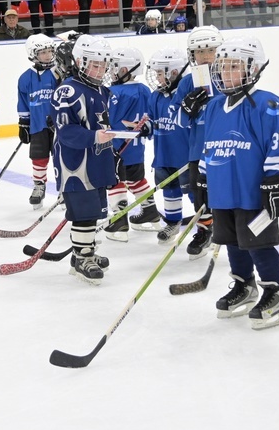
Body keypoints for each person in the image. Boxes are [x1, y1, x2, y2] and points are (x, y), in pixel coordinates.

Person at [200, 35, 279, 330]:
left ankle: (274, 293)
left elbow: (276, 145)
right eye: (223, 67)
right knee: (232, 241)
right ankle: (244, 286)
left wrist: (275, 181)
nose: (225, 74)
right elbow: (210, 145)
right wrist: (202, 180)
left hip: (253, 191)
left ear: (252, 69)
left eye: (233, 67)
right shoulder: (215, 106)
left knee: (258, 243)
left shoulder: (267, 104)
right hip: (223, 188)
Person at [52, 36, 119, 284]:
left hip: (97, 160)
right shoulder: (68, 90)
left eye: (104, 65)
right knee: (84, 213)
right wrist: (94, 136)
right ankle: (82, 257)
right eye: (95, 64)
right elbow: (66, 131)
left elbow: (104, 123)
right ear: (79, 61)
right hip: (76, 165)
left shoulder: (101, 89)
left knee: (93, 211)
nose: (100, 69)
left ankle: (84, 250)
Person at [177, 25, 224, 257]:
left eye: (210, 51)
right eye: (199, 52)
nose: (205, 57)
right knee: (199, 193)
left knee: (227, 190)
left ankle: (229, 228)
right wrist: (186, 109)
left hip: (227, 148)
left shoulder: (230, 76)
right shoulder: (187, 82)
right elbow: (178, 121)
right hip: (198, 149)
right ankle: (205, 229)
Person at [102, 46, 155, 242]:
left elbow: (106, 120)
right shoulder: (145, 89)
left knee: (116, 181)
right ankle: (151, 212)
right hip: (136, 149)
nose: (112, 72)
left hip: (116, 148)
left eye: (115, 68)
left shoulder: (113, 92)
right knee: (136, 179)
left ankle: (119, 221)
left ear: (125, 70)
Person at [137, 47, 190, 233]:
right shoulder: (156, 96)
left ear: (174, 72)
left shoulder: (187, 94)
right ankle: (173, 223)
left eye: (160, 73)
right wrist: (146, 127)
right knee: (169, 189)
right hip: (164, 154)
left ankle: (206, 227)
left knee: (194, 192)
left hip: (186, 156)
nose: (157, 78)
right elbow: (151, 120)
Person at [18, 35, 58, 207]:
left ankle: (64, 189)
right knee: (38, 157)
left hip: (59, 127)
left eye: (50, 51)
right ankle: (39, 186)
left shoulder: (58, 73)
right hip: (37, 125)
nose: (48, 55)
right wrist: (23, 124)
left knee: (61, 158)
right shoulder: (25, 78)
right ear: (33, 54)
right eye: (43, 52)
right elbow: (23, 102)